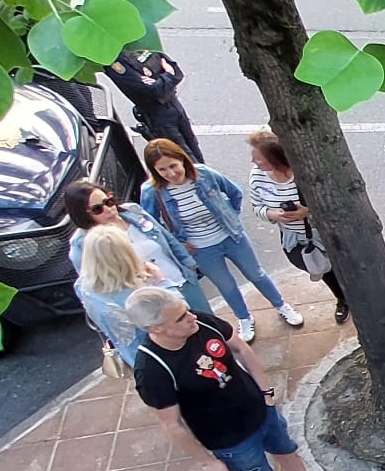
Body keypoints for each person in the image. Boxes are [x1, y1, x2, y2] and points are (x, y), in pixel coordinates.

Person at [126, 287, 349, 471]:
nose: (191, 317)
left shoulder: (200, 322)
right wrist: (208, 462)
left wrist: (265, 391)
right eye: (180, 318)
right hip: (228, 438)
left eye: (186, 311)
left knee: (286, 449)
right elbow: (172, 424)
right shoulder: (152, 370)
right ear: (156, 328)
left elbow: (240, 348)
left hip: (259, 409)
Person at [139, 139, 301, 341]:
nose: (171, 173)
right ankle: (244, 318)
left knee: (256, 274)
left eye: (173, 166)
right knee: (226, 286)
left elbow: (234, 192)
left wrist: (231, 217)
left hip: (232, 236)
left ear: (182, 159)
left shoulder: (203, 174)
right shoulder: (152, 191)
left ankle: (281, 305)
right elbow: (150, 224)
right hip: (200, 248)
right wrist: (176, 243)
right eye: (162, 170)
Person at [246, 128, 346, 324]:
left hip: (325, 233)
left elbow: (333, 202)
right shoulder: (257, 176)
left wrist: (307, 213)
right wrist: (273, 214)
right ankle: (342, 299)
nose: (254, 162)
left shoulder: (305, 173)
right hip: (295, 237)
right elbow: (257, 206)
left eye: (258, 158)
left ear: (276, 158)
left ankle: (354, 295)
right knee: (321, 268)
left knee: (342, 266)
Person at [63, 179, 206, 315]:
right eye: (97, 209)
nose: (108, 209)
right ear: (83, 214)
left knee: (210, 326)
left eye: (108, 202)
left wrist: (189, 266)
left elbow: (167, 238)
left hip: (182, 281)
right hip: (154, 303)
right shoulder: (84, 244)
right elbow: (91, 286)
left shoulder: (133, 212)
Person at [76, 226, 163, 367]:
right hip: (160, 355)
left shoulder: (83, 286)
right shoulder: (138, 293)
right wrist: (161, 281)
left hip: (130, 354)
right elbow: (173, 314)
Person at [106, 47, 202, 160]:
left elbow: (175, 70)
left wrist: (164, 79)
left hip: (175, 106)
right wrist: (168, 75)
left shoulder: (139, 45)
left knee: (195, 151)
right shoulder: (115, 61)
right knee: (184, 159)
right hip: (159, 116)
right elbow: (153, 91)